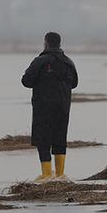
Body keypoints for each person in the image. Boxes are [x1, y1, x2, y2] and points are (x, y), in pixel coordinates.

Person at [21, 31, 78, 181]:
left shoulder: (40, 61)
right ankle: (60, 175)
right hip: (63, 107)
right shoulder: (68, 62)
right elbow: (74, 83)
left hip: (43, 107)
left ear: (46, 43)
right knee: (60, 138)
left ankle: (46, 175)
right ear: (59, 43)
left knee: (43, 140)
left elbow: (26, 81)